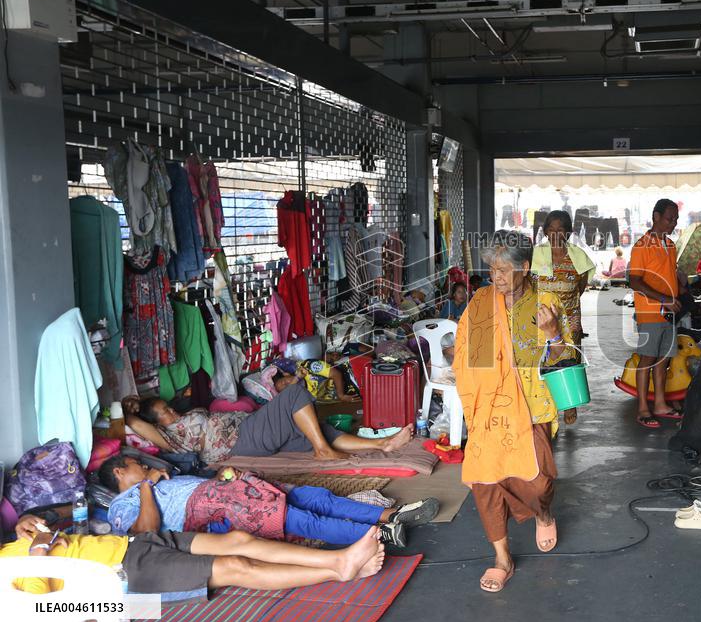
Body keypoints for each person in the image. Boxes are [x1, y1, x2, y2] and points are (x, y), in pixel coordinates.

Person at [453, 230, 573, 593]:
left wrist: (552, 335)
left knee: (537, 480)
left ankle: (543, 511)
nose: (497, 277)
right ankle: (502, 558)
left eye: (505, 269)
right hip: (491, 408)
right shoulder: (481, 301)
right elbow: (470, 356)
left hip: (534, 405)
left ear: (525, 267)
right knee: (486, 482)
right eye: (492, 269)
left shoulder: (546, 301)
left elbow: (566, 361)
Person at [3, 512, 386, 596]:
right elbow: (40, 607)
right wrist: (41, 550)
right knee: (237, 566)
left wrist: (37, 530)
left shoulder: (8, 544)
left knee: (238, 539)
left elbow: (50, 532)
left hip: (134, 543)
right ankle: (339, 567)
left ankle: (341, 557)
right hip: (123, 574)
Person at [98, 454, 438, 548]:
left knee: (314, 496)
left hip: (229, 494)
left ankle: (392, 514)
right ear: (118, 474)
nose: (144, 466)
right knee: (299, 519)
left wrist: (222, 478)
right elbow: (146, 530)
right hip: (215, 516)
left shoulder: (158, 481)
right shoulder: (121, 505)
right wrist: (145, 484)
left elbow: (207, 488)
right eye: (136, 465)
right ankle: (377, 535)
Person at [126, 379, 413, 464]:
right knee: (294, 394)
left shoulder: (182, 417)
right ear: (157, 423)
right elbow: (136, 424)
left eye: (169, 407)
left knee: (319, 429)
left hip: (250, 430)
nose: (172, 412)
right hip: (245, 438)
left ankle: (384, 444)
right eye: (165, 412)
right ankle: (322, 451)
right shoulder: (167, 436)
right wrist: (129, 408)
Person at [531, 210, 594, 426]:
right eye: (552, 229)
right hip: (541, 317)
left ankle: (569, 404)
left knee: (567, 358)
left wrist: (566, 304)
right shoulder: (536, 254)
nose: (556, 233)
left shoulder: (577, 255)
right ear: (545, 231)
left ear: (568, 232)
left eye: (561, 229)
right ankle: (544, 406)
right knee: (542, 358)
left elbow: (582, 284)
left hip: (570, 317)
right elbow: (528, 284)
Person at [627, 198, 681, 428]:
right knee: (648, 359)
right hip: (650, 313)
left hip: (670, 312)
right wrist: (664, 299)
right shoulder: (642, 245)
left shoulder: (670, 246)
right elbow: (635, 281)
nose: (673, 223)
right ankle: (642, 409)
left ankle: (660, 404)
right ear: (656, 217)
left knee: (664, 360)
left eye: (676, 219)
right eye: (670, 218)